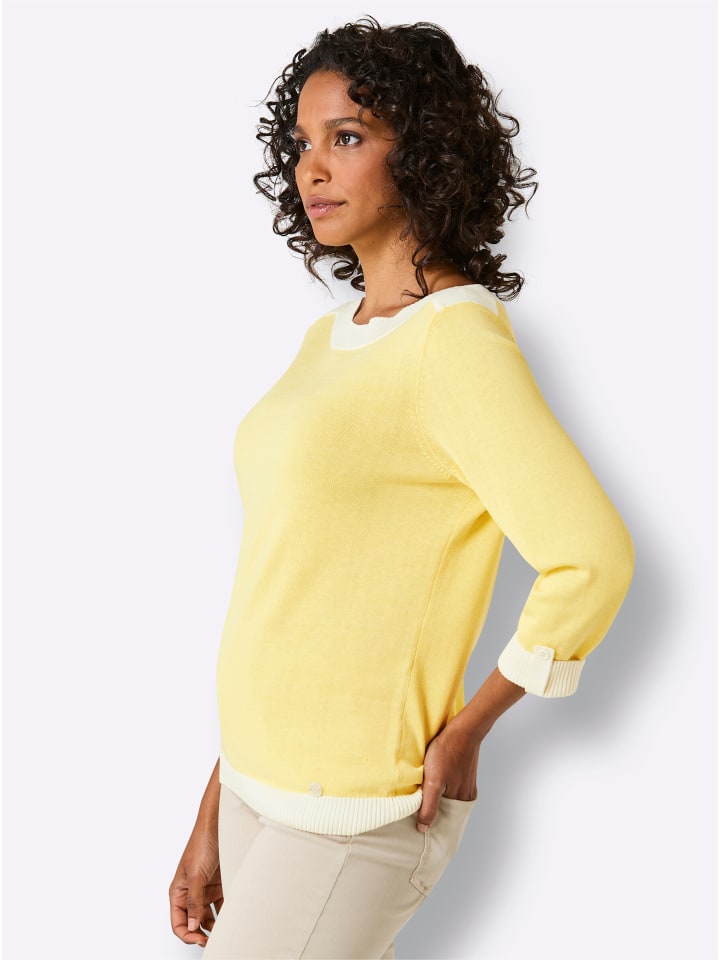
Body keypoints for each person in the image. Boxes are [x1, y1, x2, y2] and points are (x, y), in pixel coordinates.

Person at [169, 17, 634, 959]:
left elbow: (591, 557)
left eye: (346, 137)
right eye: (302, 142)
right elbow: (294, 588)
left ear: (423, 151)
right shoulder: (332, 338)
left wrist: (470, 729)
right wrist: (216, 801)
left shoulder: (454, 343)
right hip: (261, 786)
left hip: (355, 811)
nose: (312, 168)